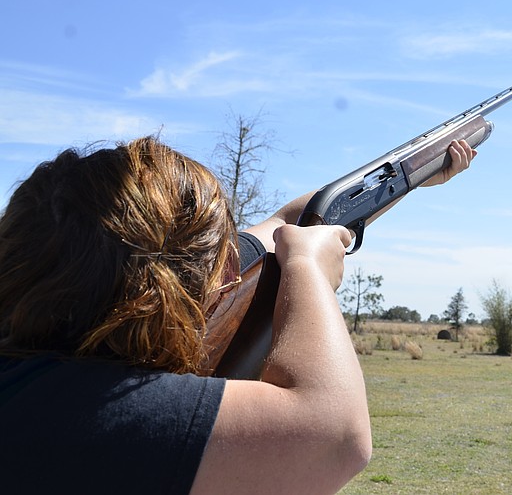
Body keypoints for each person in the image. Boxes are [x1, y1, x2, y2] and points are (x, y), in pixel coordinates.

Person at [0, 136, 476, 494]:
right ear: (164, 291)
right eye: (219, 257)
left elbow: (290, 222)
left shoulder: (27, 371)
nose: (233, 263)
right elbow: (336, 438)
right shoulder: (88, 415)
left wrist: (407, 178)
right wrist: (309, 271)